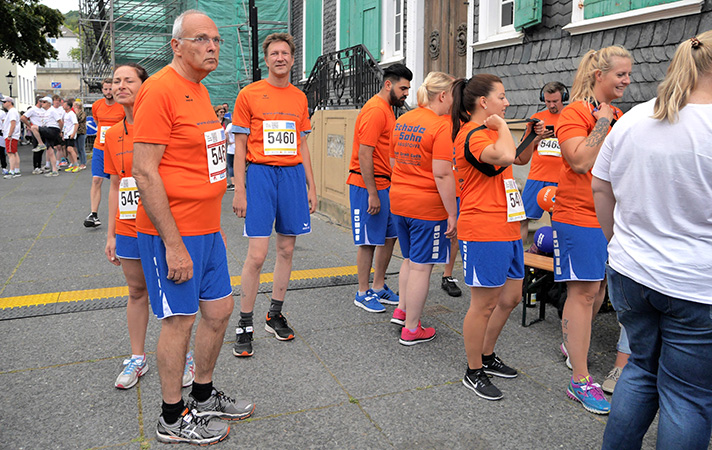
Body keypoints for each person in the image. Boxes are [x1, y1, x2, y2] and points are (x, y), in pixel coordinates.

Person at [132, 10, 254, 445]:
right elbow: (144, 171)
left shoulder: (199, 91)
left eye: (217, 40)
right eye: (202, 39)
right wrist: (173, 244)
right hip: (174, 235)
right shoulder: (159, 90)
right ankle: (170, 417)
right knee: (179, 322)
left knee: (219, 313)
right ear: (176, 45)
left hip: (208, 230)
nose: (212, 46)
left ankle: (201, 396)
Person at [592, 32, 712, 450]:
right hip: (696, 284)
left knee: (641, 369)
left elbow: (601, 187)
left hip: (631, 271)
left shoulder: (636, 118)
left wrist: (616, 243)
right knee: (687, 396)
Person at [104, 63, 196, 391]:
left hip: (162, 224)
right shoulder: (111, 135)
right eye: (116, 81)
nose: (121, 85)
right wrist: (112, 232)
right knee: (136, 290)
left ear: (146, 85)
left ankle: (182, 355)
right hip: (128, 226)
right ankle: (137, 357)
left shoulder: (165, 124)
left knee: (173, 294)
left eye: (129, 80)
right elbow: (115, 185)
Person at [552, 45, 631, 415]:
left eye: (629, 74)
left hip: (607, 216)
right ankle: (580, 381)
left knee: (597, 290)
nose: (627, 81)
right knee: (582, 294)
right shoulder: (574, 112)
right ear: (600, 75)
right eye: (621, 75)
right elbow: (580, 160)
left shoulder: (616, 113)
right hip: (577, 216)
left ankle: (574, 342)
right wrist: (602, 121)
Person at [230, 33, 316, 358]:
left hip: (292, 175)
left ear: (293, 59)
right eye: (274, 53)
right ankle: (245, 322)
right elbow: (239, 147)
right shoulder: (249, 94)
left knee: (287, 248)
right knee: (256, 255)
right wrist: (240, 189)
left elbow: (303, 144)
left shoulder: (299, 98)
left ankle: (275, 313)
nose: (280, 58)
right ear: (266, 60)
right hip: (261, 174)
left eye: (285, 53)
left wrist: (312, 185)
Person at [452, 74, 535, 401]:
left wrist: (530, 136)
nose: (507, 102)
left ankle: (487, 355)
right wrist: (502, 127)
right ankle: (473, 371)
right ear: (483, 103)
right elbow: (502, 156)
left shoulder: (491, 133)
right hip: (483, 228)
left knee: (512, 296)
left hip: (508, 226)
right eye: (502, 96)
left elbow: (517, 158)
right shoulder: (472, 135)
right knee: (483, 304)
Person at [389, 71, 457, 344]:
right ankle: (412, 328)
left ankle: (402, 310)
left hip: (400, 199)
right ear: (442, 96)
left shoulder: (403, 120)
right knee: (422, 267)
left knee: (409, 260)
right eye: (452, 95)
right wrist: (452, 212)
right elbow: (442, 174)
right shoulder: (440, 127)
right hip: (426, 207)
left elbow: (393, 162)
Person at [347, 63, 411, 314]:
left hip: (386, 184)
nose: (406, 93)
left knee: (389, 236)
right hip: (367, 186)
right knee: (368, 241)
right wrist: (372, 193)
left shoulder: (387, 109)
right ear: (388, 84)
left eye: (407, 88)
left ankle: (378, 286)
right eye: (402, 88)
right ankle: (362, 292)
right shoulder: (375, 110)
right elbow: (365, 153)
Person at [519, 81, 568, 241]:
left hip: (561, 179)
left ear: (564, 98)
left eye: (555, 101)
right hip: (536, 178)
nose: (552, 105)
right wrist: (538, 137)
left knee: (560, 222)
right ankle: (520, 258)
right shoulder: (537, 119)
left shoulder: (570, 117)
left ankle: (559, 258)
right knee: (522, 218)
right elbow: (523, 148)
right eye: (548, 101)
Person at [85, 78, 125, 228]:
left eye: (110, 89)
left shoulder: (121, 106)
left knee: (118, 181)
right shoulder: (97, 106)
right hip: (100, 147)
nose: (108, 92)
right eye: (106, 89)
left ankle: (122, 213)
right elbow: (97, 122)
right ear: (102, 90)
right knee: (96, 179)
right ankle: (93, 214)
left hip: (117, 147)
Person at [21, 97, 47, 174]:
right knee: (36, 148)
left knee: (42, 148)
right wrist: (29, 126)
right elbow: (23, 117)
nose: (44, 103)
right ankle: (35, 167)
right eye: (43, 102)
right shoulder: (32, 109)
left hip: (43, 129)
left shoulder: (43, 110)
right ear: (39, 101)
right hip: (36, 130)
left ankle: (39, 166)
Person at [2, 97, 21, 179]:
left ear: (10, 102)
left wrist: (9, 135)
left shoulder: (12, 112)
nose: (3, 103)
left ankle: (12, 171)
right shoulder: (13, 111)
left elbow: (13, 123)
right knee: (14, 152)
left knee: (10, 153)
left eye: (4, 102)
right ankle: (16, 170)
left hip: (11, 135)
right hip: (13, 135)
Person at [61, 99, 80, 172]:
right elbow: (65, 124)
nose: (63, 106)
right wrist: (63, 133)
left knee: (70, 149)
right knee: (68, 150)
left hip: (70, 134)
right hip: (66, 134)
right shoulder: (65, 113)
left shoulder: (72, 114)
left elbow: (76, 124)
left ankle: (76, 165)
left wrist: (73, 133)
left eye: (64, 105)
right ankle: (72, 164)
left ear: (68, 106)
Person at [74, 100, 88, 171]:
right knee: (78, 148)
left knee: (82, 148)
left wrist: (76, 114)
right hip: (76, 132)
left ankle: (83, 163)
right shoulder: (74, 113)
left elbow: (79, 119)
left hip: (82, 132)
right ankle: (81, 161)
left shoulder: (83, 113)